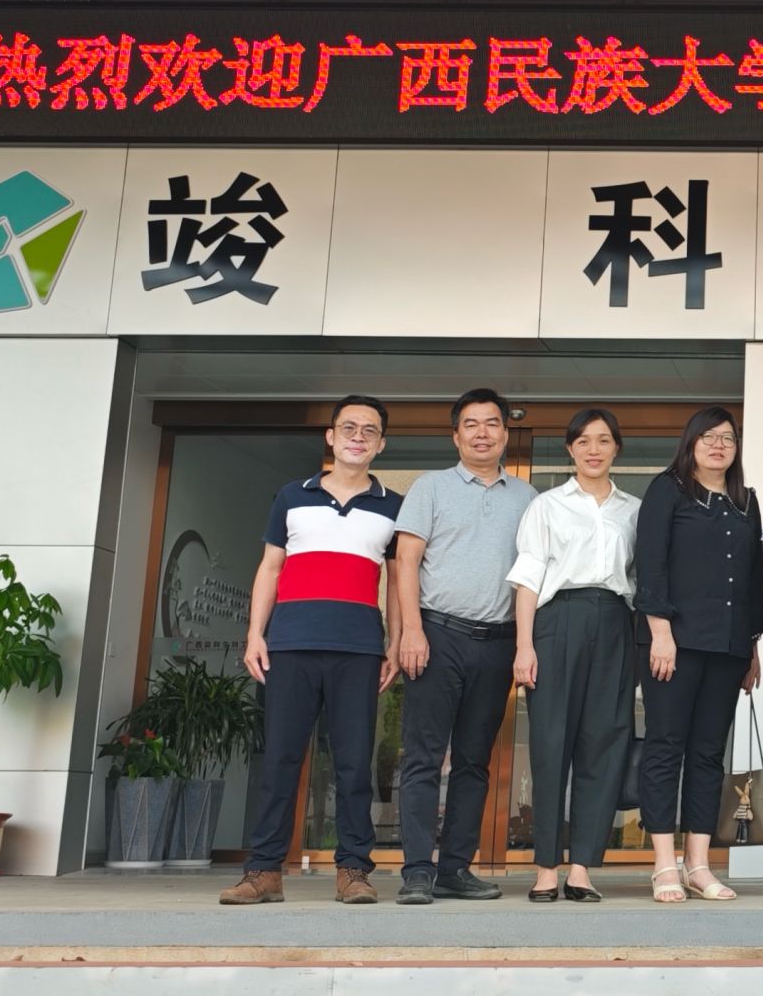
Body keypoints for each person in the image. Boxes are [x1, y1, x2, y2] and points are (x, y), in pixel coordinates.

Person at [221, 396, 404, 906]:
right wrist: (255, 634)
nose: (358, 437)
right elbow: (270, 568)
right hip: (290, 644)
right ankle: (263, 871)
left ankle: (353, 871)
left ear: (381, 444)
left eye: (369, 430)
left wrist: (395, 640)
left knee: (353, 764)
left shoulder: (393, 506)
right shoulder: (291, 496)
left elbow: (396, 582)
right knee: (280, 759)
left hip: (358, 647)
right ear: (331, 436)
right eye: (349, 427)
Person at [390, 388, 539, 905]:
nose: (482, 433)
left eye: (491, 423)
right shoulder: (429, 488)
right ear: (456, 436)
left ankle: (455, 868)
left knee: (475, 761)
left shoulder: (527, 498)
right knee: (424, 757)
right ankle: (416, 870)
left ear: (505, 433)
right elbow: (406, 563)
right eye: (471, 424)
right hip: (438, 635)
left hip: (497, 642)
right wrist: (411, 631)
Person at [507, 408, 641, 902]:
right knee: (550, 743)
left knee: (603, 744)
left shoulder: (634, 510)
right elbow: (527, 577)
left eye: (603, 440)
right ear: (570, 449)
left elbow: (641, 579)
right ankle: (546, 866)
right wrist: (524, 645)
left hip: (616, 622)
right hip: (557, 621)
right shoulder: (546, 505)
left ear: (616, 448)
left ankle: (582, 867)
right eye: (583, 441)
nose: (593, 449)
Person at [634, 405, 763, 903]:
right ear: (690, 443)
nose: (718, 445)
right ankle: (663, 864)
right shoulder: (668, 490)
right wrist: (660, 631)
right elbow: (651, 563)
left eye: (727, 438)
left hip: (728, 647)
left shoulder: (746, 501)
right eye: (708, 437)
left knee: (709, 754)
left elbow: (752, 579)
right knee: (666, 746)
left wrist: (751, 646)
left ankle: (699, 865)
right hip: (674, 642)